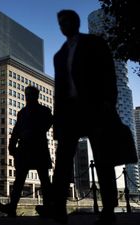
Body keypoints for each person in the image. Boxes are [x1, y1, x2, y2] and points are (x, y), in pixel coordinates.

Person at [51, 9, 120, 224]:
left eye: (66, 21)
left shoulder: (94, 43)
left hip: (94, 107)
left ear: (76, 22)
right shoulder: (59, 55)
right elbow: (58, 91)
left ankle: (108, 209)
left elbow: (109, 72)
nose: (63, 26)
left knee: (103, 158)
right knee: (62, 161)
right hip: (70, 112)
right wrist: (57, 121)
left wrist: (109, 101)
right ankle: (58, 209)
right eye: (60, 23)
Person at [0, 86, 53, 217]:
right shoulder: (21, 113)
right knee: (19, 179)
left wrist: (35, 131)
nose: (27, 97)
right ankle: (12, 207)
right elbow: (15, 131)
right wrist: (11, 147)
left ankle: (48, 207)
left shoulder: (45, 111)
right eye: (26, 94)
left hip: (39, 148)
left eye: (30, 94)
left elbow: (48, 123)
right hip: (25, 149)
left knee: (44, 179)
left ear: (36, 96)